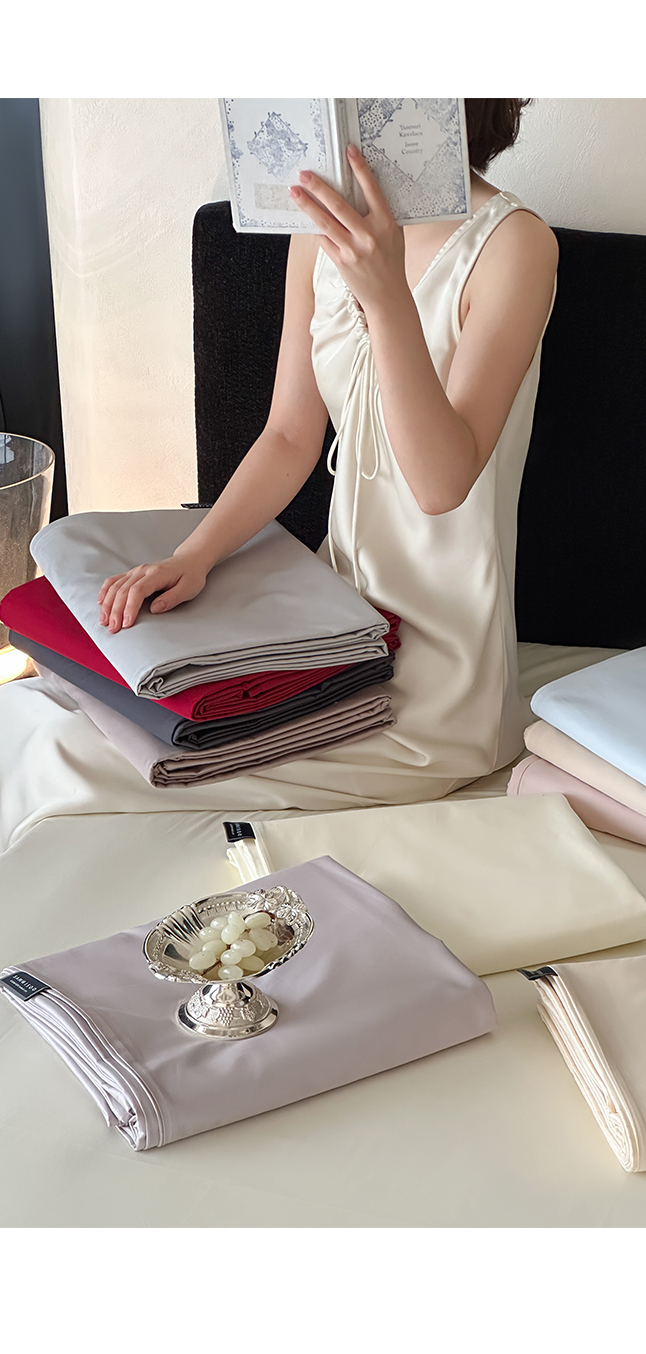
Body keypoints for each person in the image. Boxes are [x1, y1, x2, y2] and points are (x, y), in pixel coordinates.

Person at [0, 98, 559, 849]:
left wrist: (385, 295)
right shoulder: (317, 227)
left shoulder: (514, 245)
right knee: (51, 710)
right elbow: (291, 434)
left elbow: (439, 485)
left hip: (439, 674)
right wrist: (196, 554)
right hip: (330, 618)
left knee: (73, 758)